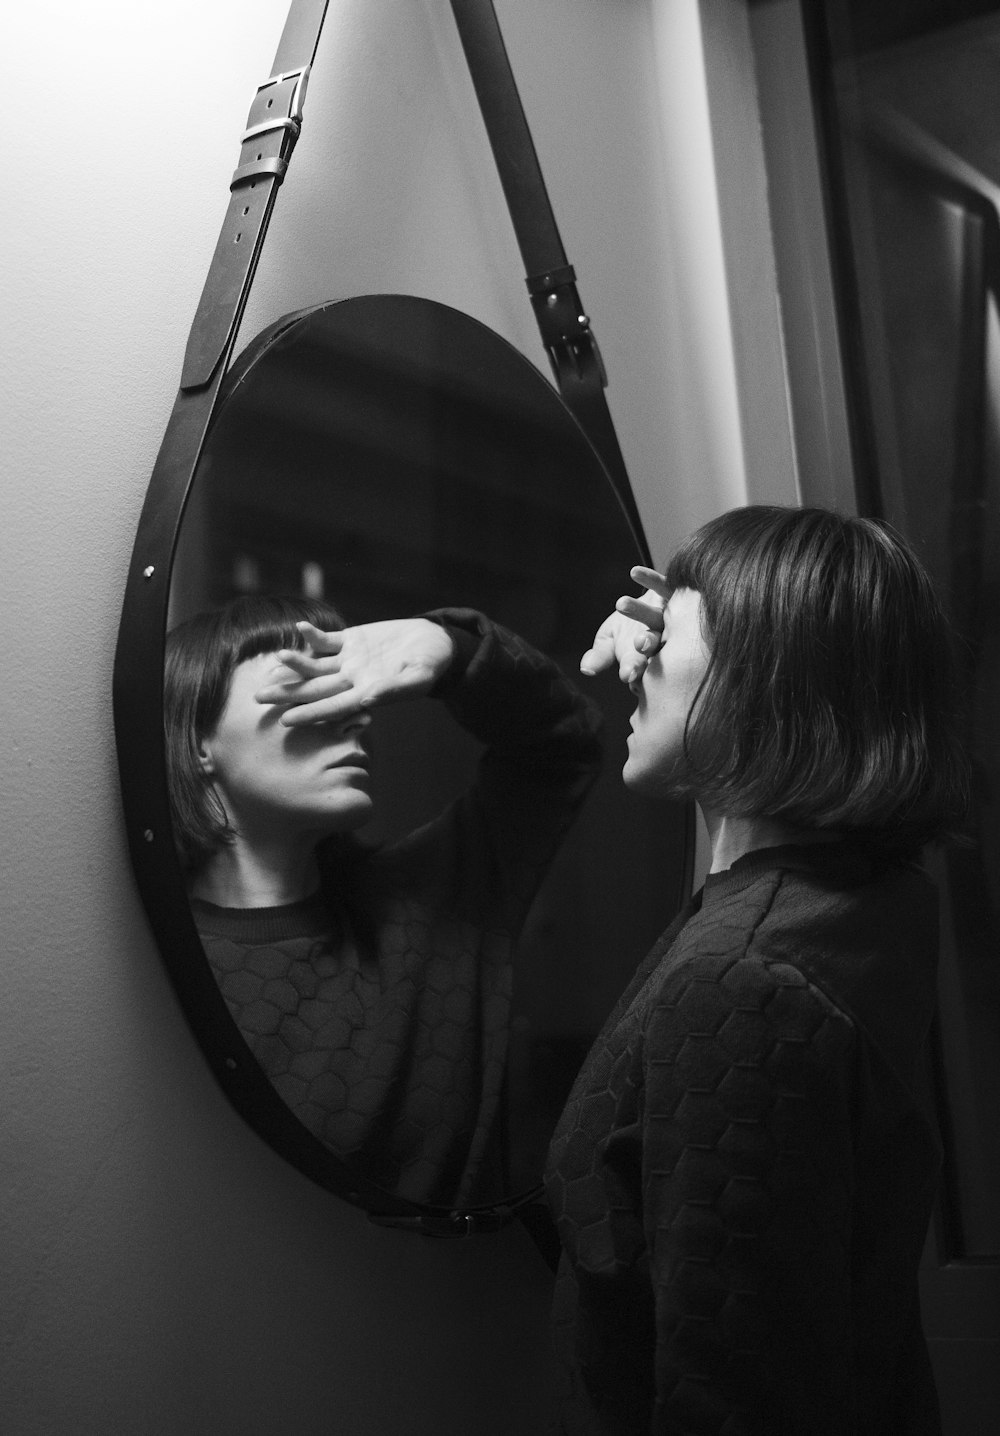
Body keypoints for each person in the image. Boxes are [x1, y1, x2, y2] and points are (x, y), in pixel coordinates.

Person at [544, 505, 968, 1435]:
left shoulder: (743, 983)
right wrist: (699, 614)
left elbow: (734, 1398)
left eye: (670, 632)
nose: (638, 654)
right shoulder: (859, 908)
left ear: (762, 679)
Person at [165, 596, 602, 1207]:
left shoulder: (431, 908)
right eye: (306, 685)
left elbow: (561, 747)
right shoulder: (148, 963)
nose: (354, 716)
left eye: (349, 687)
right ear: (199, 740)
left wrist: (448, 649)